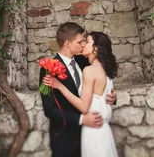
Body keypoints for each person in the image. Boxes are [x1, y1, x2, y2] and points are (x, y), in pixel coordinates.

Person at [39, 23, 117, 157]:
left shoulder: (85, 61)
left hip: (90, 135)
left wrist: (112, 97)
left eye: (85, 42)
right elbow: (50, 109)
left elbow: (100, 85)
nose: (83, 45)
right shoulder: (48, 68)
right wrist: (81, 119)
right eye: (80, 42)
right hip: (66, 140)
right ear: (68, 43)